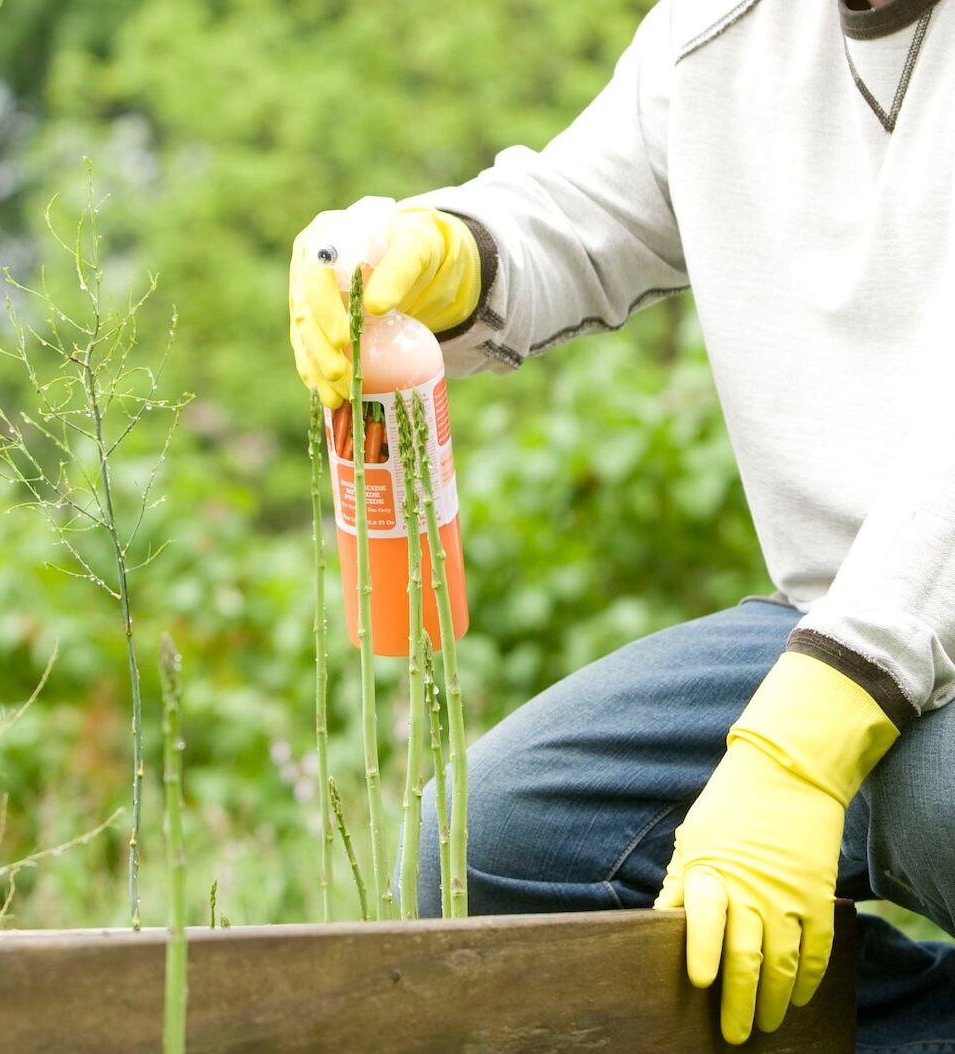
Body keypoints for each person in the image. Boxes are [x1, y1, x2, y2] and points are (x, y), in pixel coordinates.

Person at [288, 0, 955, 1047]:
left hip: (876, 661)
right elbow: (575, 208)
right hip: (829, 624)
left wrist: (801, 746)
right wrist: (442, 251)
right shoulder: (720, 28)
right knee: (495, 851)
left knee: (930, 794)